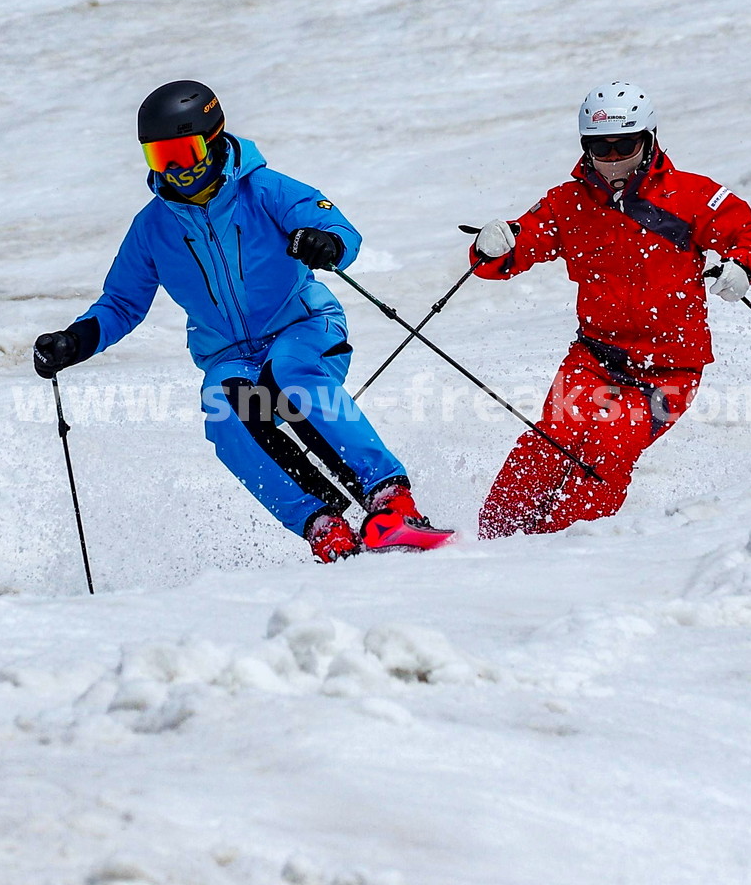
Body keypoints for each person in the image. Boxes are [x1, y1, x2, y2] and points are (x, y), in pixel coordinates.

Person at [33, 80, 452, 562]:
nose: (176, 169)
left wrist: (325, 243)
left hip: (303, 325)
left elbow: (340, 230)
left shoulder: (266, 189)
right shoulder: (153, 227)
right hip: (230, 355)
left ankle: (391, 503)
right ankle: (325, 526)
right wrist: (75, 341)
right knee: (226, 408)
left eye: (184, 152)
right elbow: (122, 304)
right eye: (160, 157)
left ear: (213, 140)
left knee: (290, 373)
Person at [467, 81, 751, 539]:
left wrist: (742, 268)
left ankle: (558, 549)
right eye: (599, 147)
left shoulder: (692, 195)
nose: (612, 157)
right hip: (593, 359)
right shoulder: (567, 204)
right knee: (547, 446)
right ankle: (489, 541)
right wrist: (493, 246)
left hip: (669, 367)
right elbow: (508, 255)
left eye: (624, 145)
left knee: (610, 446)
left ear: (648, 140)